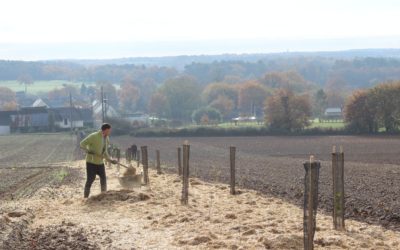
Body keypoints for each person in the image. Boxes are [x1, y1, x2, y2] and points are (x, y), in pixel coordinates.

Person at [80, 123, 118, 198]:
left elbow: (105, 152)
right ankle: (85, 197)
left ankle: (103, 195)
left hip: (100, 162)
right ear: (106, 130)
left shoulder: (106, 138)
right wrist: (88, 151)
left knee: (103, 178)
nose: (110, 132)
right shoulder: (94, 136)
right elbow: (82, 144)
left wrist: (110, 160)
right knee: (90, 179)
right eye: (109, 130)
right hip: (91, 162)